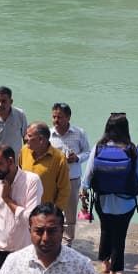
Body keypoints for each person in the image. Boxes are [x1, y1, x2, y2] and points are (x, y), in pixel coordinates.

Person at [81, 112, 138, 274]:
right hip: (125, 203)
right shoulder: (131, 149)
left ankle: (105, 263)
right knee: (119, 236)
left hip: (102, 201)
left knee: (106, 230)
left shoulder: (99, 147)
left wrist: (83, 195)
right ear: (126, 128)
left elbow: (87, 176)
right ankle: (114, 272)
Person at [0, 144, 43, 274]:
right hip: (1, 252)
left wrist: (7, 199)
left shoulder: (32, 181)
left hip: (25, 252)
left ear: (10, 161)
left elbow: (31, 219)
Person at [48, 102, 90, 245]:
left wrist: (76, 158)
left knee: (70, 213)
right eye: (54, 117)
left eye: (59, 117)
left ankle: (67, 242)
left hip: (72, 178)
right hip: (52, 180)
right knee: (51, 210)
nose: (56, 120)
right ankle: (53, 238)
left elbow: (88, 152)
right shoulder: (48, 134)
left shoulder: (79, 133)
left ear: (68, 117)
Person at [19, 121, 70, 213]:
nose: (25, 138)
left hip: (45, 213)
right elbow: (18, 176)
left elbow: (64, 189)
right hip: (24, 209)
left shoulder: (59, 158)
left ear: (41, 139)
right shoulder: (24, 150)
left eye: (29, 136)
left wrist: (56, 212)